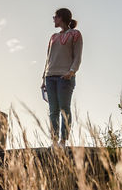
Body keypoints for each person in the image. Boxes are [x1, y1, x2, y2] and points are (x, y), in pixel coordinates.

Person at [41, 8, 83, 148]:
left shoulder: (75, 34)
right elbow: (48, 58)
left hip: (65, 77)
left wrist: (71, 72)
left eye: (55, 17)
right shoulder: (53, 37)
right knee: (53, 110)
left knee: (65, 108)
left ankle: (63, 141)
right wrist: (43, 78)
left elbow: (77, 55)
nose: (53, 19)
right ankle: (54, 142)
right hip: (50, 76)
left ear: (61, 18)